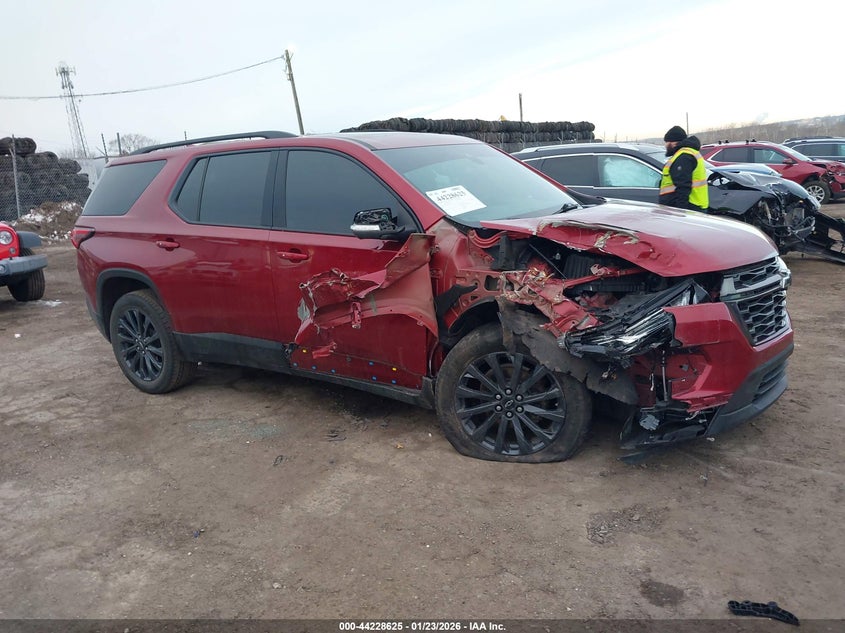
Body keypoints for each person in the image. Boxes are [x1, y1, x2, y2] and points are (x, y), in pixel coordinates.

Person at [659, 125, 709, 211]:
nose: (665, 145)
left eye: (666, 142)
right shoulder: (689, 153)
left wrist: (681, 212)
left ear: (673, 143)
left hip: (690, 208)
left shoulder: (683, 157)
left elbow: (683, 187)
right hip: (695, 205)